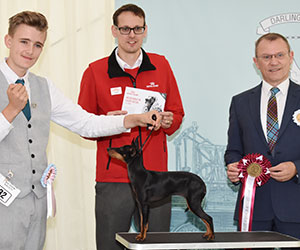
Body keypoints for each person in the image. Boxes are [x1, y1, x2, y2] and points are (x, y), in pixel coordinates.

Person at [0, 10, 162, 250]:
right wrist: (11, 110)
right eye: (24, 42)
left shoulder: (45, 87)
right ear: (8, 41)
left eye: (37, 45)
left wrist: (132, 119)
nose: (30, 51)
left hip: (37, 200)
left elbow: (85, 122)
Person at [78, 3, 184, 250]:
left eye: (137, 28)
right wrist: (109, 122)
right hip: (113, 177)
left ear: (146, 30)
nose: (132, 35)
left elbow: (177, 114)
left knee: (157, 246)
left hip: (156, 177)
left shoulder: (162, 65)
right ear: (114, 31)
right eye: (125, 29)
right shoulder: (95, 71)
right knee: (108, 245)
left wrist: (169, 120)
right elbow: (83, 124)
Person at [225, 32, 300, 240]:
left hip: (296, 208)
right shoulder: (240, 102)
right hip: (254, 210)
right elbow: (233, 150)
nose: (273, 62)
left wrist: (296, 168)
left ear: (291, 56)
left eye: (279, 55)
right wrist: (233, 166)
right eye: (266, 57)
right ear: (256, 62)